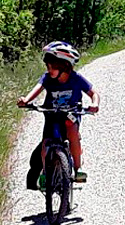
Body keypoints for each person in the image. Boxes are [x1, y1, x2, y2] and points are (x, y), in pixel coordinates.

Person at [18, 41, 100, 186]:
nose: (49, 70)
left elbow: (94, 94)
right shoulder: (47, 78)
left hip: (71, 113)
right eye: (48, 66)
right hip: (52, 114)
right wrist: (26, 100)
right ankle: (45, 172)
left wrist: (94, 104)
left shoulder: (76, 79)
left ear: (64, 66)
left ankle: (77, 168)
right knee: (46, 141)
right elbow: (36, 89)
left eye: (53, 67)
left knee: (72, 130)